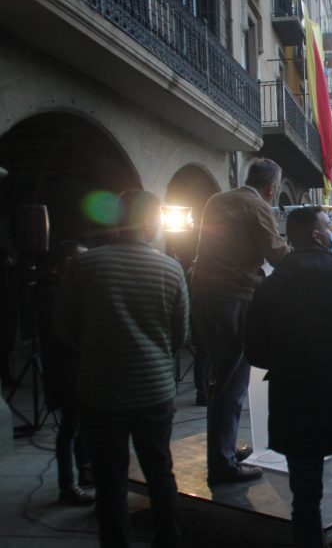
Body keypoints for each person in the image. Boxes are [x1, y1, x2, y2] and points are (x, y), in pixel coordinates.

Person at [244, 206, 332, 548]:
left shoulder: (270, 288)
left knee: (305, 496)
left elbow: (255, 350)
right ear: (315, 235)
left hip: (296, 402)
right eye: (328, 226)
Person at [55, 190, 188, 547]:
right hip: (155, 391)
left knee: (109, 481)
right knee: (161, 474)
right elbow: (180, 335)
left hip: (100, 392)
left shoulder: (85, 266)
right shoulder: (171, 268)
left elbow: (64, 328)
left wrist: (101, 350)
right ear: (152, 222)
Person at [191, 159, 289, 485]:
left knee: (221, 378)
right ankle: (222, 463)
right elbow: (276, 253)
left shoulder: (217, 200)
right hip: (234, 296)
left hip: (206, 296)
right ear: (272, 188)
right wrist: (310, 252)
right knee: (232, 383)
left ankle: (225, 449)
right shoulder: (257, 206)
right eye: (275, 191)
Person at [37, 240, 93, 505]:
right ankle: (67, 485)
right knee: (70, 428)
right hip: (65, 370)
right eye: (77, 261)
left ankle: (85, 472)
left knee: (81, 426)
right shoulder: (51, 294)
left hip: (77, 368)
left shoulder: (68, 293)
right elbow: (64, 335)